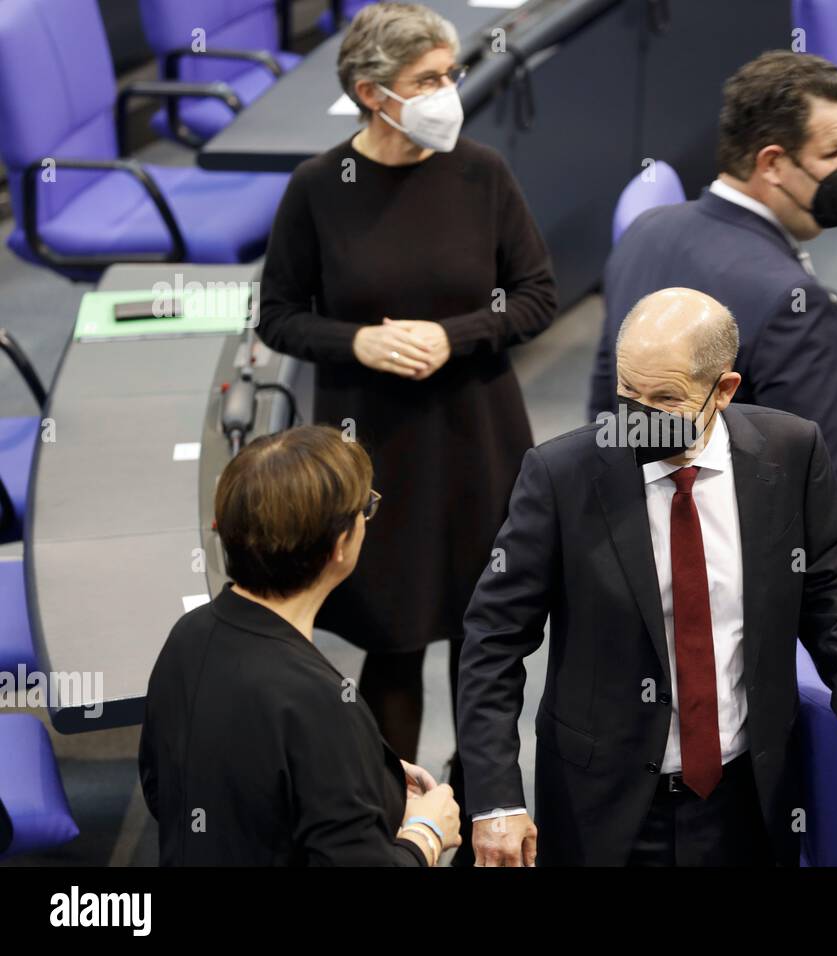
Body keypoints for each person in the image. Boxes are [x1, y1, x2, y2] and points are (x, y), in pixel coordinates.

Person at [458, 288, 837, 866]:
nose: (639, 417)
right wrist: (496, 800)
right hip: (605, 806)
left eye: (665, 399)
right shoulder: (561, 476)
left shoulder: (792, 452)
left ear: (724, 390)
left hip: (750, 795)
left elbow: (828, 597)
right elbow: (492, 642)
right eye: (628, 393)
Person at [255, 0, 558, 854]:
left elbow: (538, 295)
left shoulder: (481, 172)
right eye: (428, 80)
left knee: (482, 642)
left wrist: (451, 336)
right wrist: (356, 340)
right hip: (372, 449)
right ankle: (386, 826)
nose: (448, 93)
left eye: (451, 74)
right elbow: (278, 317)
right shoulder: (320, 187)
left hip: (478, 438)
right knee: (390, 643)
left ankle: (479, 802)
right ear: (373, 94)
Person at [588, 51, 837, 660]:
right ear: (773, 163)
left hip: (627, 548)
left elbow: (603, 405)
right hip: (737, 574)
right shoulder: (792, 306)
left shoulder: (647, 230)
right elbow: (831, 480)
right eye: (835, 155)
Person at [138, 426, 461, 866]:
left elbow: (167, 787)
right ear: (339, 545)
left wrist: (369, 777)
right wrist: (427, 832)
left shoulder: (188, 635)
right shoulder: (316, 704)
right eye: (365, 508)